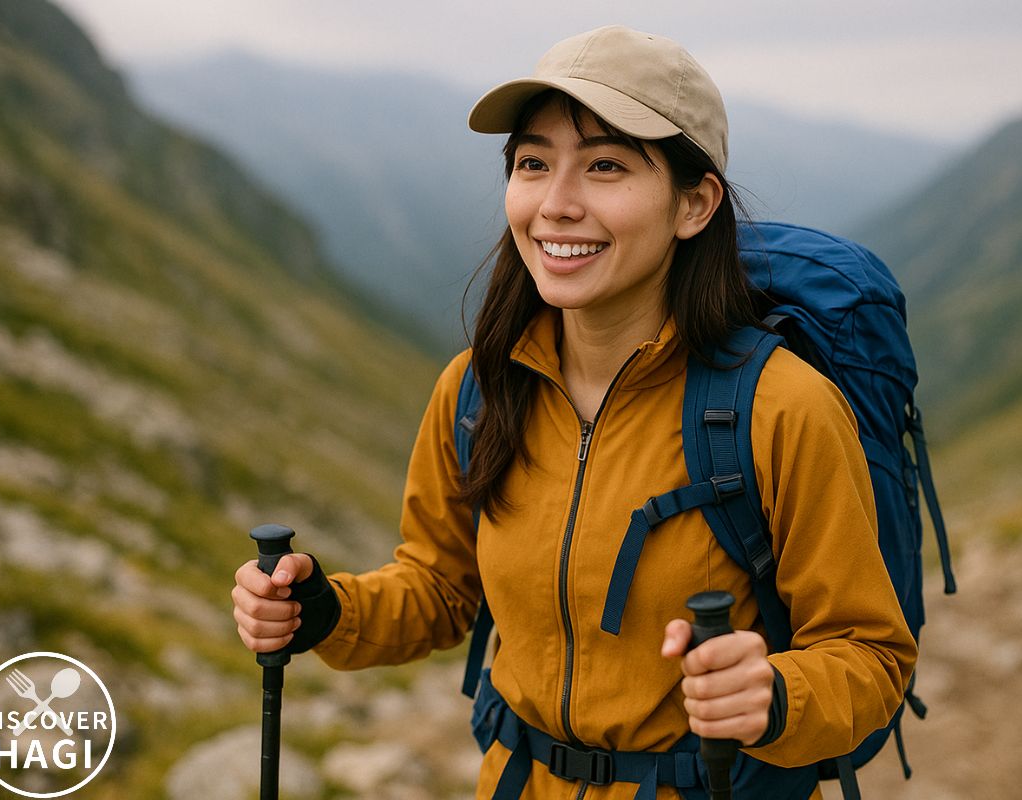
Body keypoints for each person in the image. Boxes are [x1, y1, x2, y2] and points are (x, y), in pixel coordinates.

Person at [231, 25, 916, 800]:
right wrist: (326, 610)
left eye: (605, 166)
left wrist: (775, 694)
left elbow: (870, 656)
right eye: (532, 163)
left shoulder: (781, 408)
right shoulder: (478, 390)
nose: (556, 205)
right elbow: (440, 587)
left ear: (694, 203)